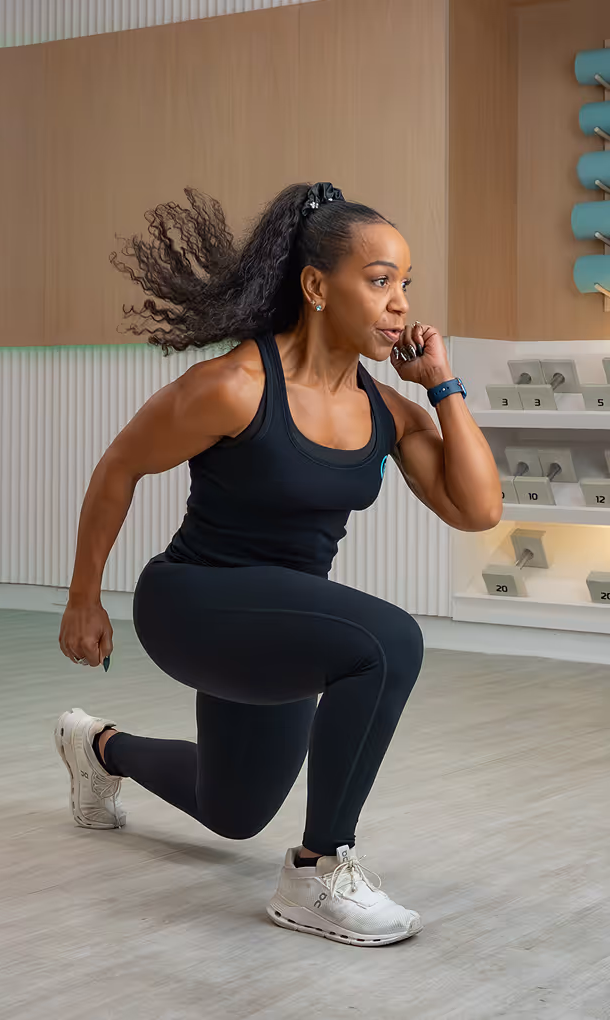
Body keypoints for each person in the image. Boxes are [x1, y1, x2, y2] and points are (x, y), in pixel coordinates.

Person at [56, 182, 502, 947]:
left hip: (280, 621)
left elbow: (477, 509)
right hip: (193, 602)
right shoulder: (235, 387)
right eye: (380, 279)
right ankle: (317, 871)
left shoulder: (386, 411)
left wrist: (442, 386)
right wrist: (84, 600)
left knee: (232, 810)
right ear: (317, 287)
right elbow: (119, 467)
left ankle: (95, 748)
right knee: (390, 642)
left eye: (406, 285)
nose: (400, 304)